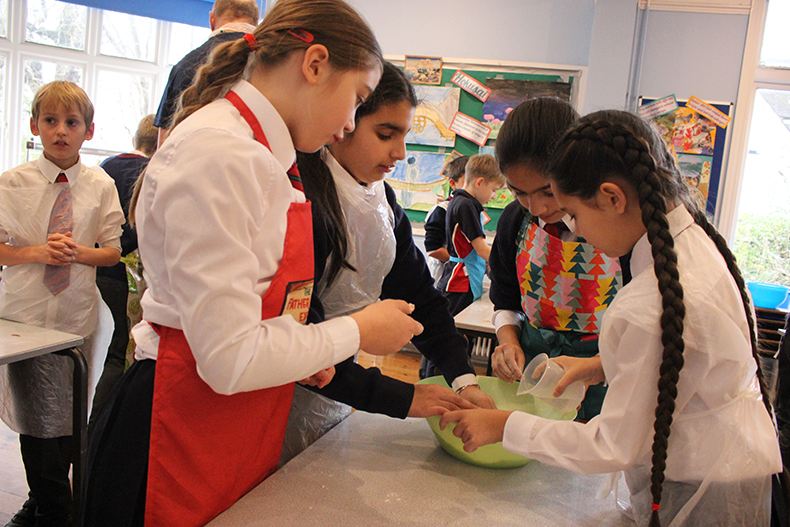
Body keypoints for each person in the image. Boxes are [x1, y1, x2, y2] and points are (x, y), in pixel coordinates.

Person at [81, 2, 423, 527]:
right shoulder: (223, 154)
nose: (349, 124)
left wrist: (300, 352)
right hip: (175, 429)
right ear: (314, 64)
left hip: (227, 425)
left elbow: (250, 311)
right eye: (356, 99)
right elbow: (229, 359)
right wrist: (356, 331)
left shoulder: (266, 156)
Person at [440, 110, 782, 526]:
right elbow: (688, 357)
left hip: (697, 481)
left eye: (574, 214)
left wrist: (504, 425)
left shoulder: (646, 303)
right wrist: (601, 366)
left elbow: (612, 445)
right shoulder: (692, 245)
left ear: (612, 198)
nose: (577, 232)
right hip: (720, 464)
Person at [290, 62, 492, 441]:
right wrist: (404, 397)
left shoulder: (381, 200)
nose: (400, 152)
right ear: (343, 121)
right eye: (385, 134)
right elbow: (301, 343)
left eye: (404, 135)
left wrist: (464, 379)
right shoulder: (301, 202)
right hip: (287, 388)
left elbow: (421, 298)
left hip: (338, 387)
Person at [0, 81, 124, 527]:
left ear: (88, 131)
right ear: (35, 126)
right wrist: (37, 252)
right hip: (27, 316)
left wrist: (78, 253)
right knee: (34, 418)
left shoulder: (100, 185)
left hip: (75, 315)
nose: (60, 131)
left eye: (71, 123)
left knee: (70, 419)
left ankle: (47, 502)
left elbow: (112, 252)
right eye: (50, 121)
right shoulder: (12, 183)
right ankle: (52, 507)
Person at [487, 98, 630, 420]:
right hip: (535, 367)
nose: (535, 208)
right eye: (518, 192)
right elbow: (505, 296)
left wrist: (599, 366)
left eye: (548, 192)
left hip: (607, 372)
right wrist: (508, 342)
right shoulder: (515, 221)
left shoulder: (614, 227)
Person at [90, 114, 157, 420]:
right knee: (118, 354)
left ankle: (86, 422)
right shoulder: (153, 173)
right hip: (128, 277)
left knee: (98, 349)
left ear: (134, 140)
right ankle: (97, 425)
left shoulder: (106, 167)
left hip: (95, 268)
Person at [153, 0, 258, 144]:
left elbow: (164, 144)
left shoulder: (183, 67)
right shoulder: (269, 63)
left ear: (212, 20)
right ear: (256, 22)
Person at [437, 153, 504, 316]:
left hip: (461, 277)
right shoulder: (466, 205)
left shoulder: (458, 200)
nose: (494, 196)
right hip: (461, 281)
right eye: (494, 190)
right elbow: (482, 249)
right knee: (458, 326)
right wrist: (506, 265)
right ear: (479, 182)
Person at [424, 155, 470, 285]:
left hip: (463, 275)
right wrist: (462, 264)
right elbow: (433, 249)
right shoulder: (442, 210)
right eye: (467, 182)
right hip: (443, 276)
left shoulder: (472, 211)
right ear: (453, 184)